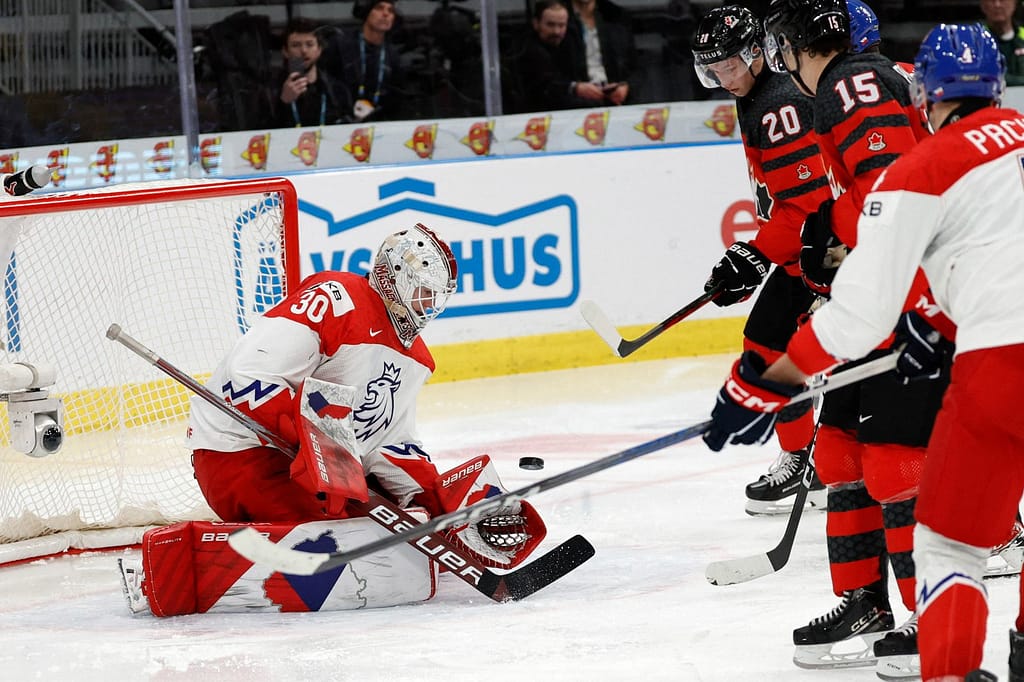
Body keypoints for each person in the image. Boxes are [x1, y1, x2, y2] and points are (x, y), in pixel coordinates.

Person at [699, 22, 1024, 682]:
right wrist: (934, 316)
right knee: (856, 457)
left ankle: (947, 665)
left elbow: (859, 316)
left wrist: (764, 384)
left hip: (997, 366)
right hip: (973, 337)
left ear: (924, 92)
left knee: (947, 542)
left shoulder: (917, 168)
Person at [118, 224, 547, 615]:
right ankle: (193, 563)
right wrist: (312, 436)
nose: (428, 305)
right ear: (391, 276)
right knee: (343, 539)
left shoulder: (415, 358)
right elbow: (249, 376)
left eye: (436, 296)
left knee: (392, 525)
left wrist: (429, 501)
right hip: (240, 451)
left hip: (314, 463)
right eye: (422, 291)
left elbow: (387, 441)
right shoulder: (337, 298)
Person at [715, 0, 936, 670]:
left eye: (780, 43)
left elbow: (889, 191)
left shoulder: (850, 82)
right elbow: (857, 199)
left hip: (902, 306)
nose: (776, 57)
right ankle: (866, 602)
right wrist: (818, 236)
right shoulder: (835, 92)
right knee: (840, 455)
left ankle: (928, 617)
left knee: (894, 463)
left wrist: (831, 237)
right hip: (866, 305)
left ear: (799, 43)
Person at [690, 5, 828, 517]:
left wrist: (755, 253)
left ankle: (831, 467)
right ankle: (803, 462)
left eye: (728, 65)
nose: (723, 78)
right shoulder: (757, 97)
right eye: (714, 69)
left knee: (784, 354)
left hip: (826, 258)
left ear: (754, 54)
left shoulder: (778, 104)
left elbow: (812, 206)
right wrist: (756, 257)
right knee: (763, 346)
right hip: (804, 252)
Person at [514, 0, 603, 112]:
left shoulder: (569, 42)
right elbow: (545, 87)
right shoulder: (527, 48)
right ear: (536, 24)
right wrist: (576, 88)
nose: (556, 31)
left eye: (561, 25)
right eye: (550, 25)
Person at [327, 0, 404, 122]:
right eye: (379, 8)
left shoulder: (393, 55)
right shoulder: (341, 44)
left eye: (391, 10)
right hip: (340, 121)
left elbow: (396, 97)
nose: (386, 14)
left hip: (378, 123)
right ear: (366, 11)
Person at [274, 17, 350, 128]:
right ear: (285, 51)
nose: (304, 51)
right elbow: (259, 131)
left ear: (319, 49)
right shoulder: (271, 90)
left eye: (309, 44)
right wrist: (283, 102)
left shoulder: (337, 89)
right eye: (296, 45)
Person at [565, 0, 636, 106]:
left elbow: (635, 66)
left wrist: (626, 87)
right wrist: (575, 87)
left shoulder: (615, 15)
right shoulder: (556, 16)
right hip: (573, 103)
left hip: (616, 100)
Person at [980, 0, 1024, 85]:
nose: (997, 5)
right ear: (983, 5)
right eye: (992, 1)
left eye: (1003, 0)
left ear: (1014, 3)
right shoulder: (976, 39)